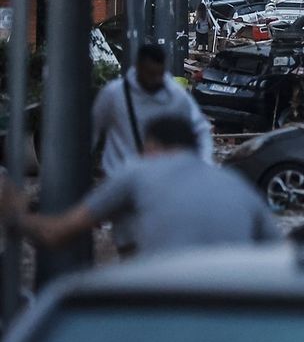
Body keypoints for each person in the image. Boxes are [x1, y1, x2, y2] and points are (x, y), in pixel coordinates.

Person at [1, 115, 282, 257]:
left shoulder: (138, 172)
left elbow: (56, 234)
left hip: (162, 311)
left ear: (153, 146)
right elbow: (281, 258)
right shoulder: (235, 185)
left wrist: (16, 217)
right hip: (232, 320)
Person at [94, 44, 213, 177]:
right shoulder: (114, 94)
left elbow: (200, 129)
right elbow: (93, 128)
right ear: (139, 68)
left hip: (157, 180)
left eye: (159, 74)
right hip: (118, 177)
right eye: (150, 74)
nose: (155, 79)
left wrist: (204, 164)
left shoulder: (176, 96)